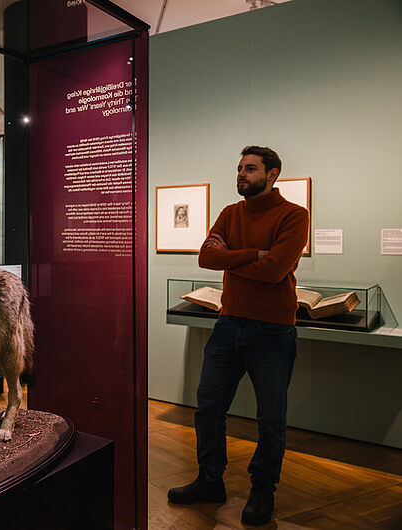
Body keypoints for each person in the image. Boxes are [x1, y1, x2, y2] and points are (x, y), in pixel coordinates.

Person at [167, 146, 308, 526]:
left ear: (273, 174)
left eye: (250, 169)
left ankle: (264, 488)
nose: (241, 175)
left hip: (273, 329)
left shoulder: (294, 216)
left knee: (270, 415)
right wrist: (254, 253)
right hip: (228, 324)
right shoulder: (231, 213)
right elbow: (206, 258)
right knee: (208, 407)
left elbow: (275, 271)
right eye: (240, 169)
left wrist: (235, 257)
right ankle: (210, 479)